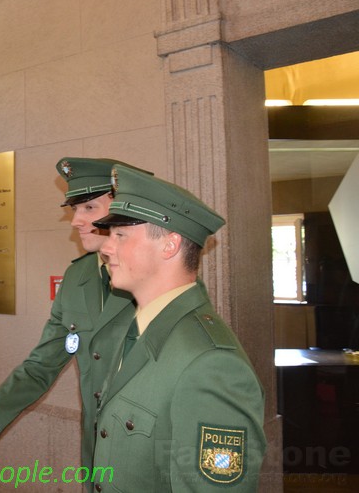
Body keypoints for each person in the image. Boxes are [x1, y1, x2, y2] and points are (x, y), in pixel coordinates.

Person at [0, 158, 138, 485]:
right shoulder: (77, 278)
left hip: (146, 459)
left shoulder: (155, 276)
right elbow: (41, 364)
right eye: (74, 209)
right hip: (96, 458)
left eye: (89, 208)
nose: (76, 221)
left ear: (123, 207)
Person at [90, 164, 267, 491]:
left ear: (169, 245)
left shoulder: (211, 365)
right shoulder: (135, 331)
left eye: (121, 235)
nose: (105, 247)